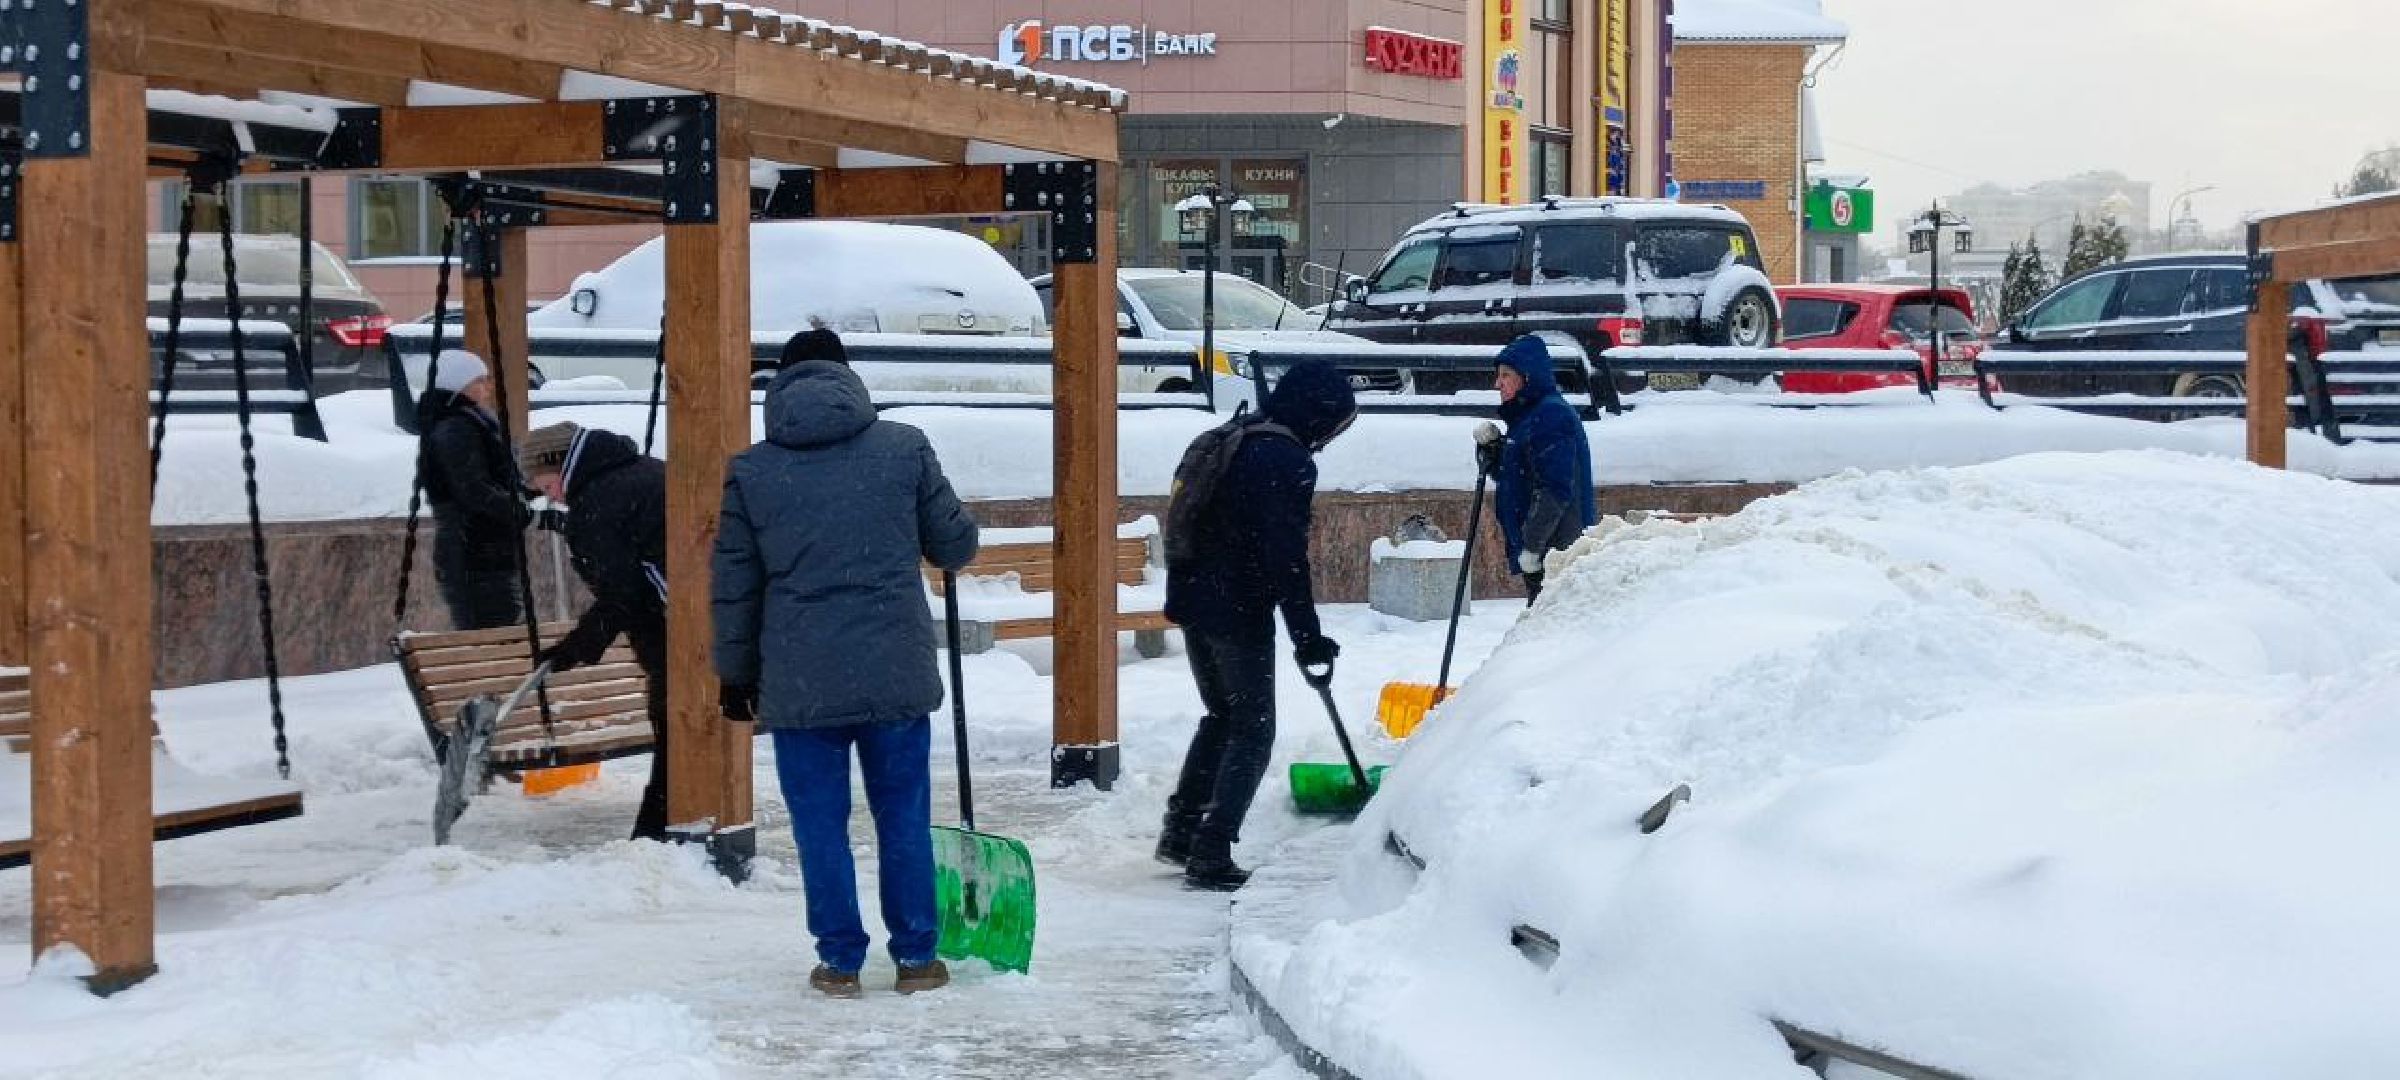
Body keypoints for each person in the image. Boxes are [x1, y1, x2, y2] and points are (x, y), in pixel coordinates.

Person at [712, 356, 979, 999]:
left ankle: (839, 962)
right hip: (893, 672)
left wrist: (735, 675)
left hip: (800, 680)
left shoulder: (753, 472)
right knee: (903, 817)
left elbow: (735, 587)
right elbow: (954, 546)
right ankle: (917, 958)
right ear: (851, 387)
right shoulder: (904, 448)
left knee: (819, 827)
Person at [1159, 360, 1359, 891]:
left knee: (1222, 715)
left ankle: (1181, 831)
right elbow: (1285, 558)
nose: (1327, 440)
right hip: (1236, 609)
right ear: (1317, 414)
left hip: (1193, 600)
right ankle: (1211, 849)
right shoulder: (1285, 460)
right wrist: (1307, 636)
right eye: (1333, 426)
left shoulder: (1240, 436)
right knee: (1253, 728)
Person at [515, 421, 673, 842]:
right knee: (678, 730)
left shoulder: (595, 506)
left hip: (678, 627)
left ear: (561, 464)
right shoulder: (643, 469)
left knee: (675, 726)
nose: (551, 497)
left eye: (546, 486)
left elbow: (625, 593)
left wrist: (576, 646)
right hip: (717, 614)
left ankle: (658, 834)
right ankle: (663, 829)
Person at [416, 349, 532, 630]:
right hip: (473, 552)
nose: (487, 387)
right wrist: (519, 510)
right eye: (479, 380)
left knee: (499, 625)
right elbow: (473, 489)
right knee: (492, 627)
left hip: (483, 549)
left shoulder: (471, 423)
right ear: (457, 385)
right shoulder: (456, 428)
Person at [1485, 335, 1596, 603]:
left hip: (1557, 552)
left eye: (1505, 375)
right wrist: (1495, 454)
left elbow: (1555, 490)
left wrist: (1532, 547)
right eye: (1498, 375)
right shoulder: (1528, 417)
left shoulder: (1550, 417)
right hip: (1545, 551)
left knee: (1556, 622)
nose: (1497, 383)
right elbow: (1519, 478)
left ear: (1527, 377)